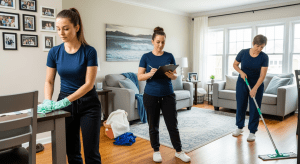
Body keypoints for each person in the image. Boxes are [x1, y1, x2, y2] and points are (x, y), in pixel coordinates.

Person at [39, 7, 102, 164]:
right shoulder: (54, 52)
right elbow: (49, 80)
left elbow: (89, 84)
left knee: (91, 153)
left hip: (89, 105)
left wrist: (66, 100)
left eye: (66, 29)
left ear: (77, 27)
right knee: (72, 151)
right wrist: (48, 100)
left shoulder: (89, 52)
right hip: (65, 107)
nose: (61, 33)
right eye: (58, 29)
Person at [137, 27, 191, 163]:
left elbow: (175, 76)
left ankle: (179, 151)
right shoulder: (146, 57)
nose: (160, 45)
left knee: (172, 124)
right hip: (150, 95)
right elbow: (139, 76)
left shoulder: (169, 56)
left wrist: (172, 75)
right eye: (158, 42)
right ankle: (156, 150)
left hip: (168, 95)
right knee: (153, 125)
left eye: (163, 42)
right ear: (152, 41)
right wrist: (149, 74)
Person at [232, 35, 268, 142]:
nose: (259, 49)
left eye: (262, 47)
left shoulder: (264, 57)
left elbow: (262, 75)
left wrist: (255, 88)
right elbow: (235, 65)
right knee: (241, 104)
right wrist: (241, 72)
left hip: (257, 84)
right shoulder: (243, 52)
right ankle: (239, 127)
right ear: (253, 43)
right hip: (242, 82)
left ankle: (252, 132)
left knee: (254, 108)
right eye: (258, 46)